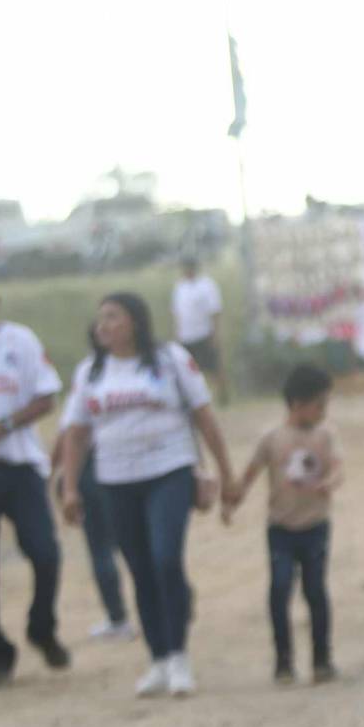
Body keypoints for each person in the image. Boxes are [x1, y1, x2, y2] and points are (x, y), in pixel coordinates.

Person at [60, 292, 238, 697]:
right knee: (140, 568)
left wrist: (225, 472)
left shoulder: (170, 360)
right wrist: (70, 488)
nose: (103, 325)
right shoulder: (91, 372)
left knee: (165, 558)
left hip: (168, 472)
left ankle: (178, 656)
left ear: (135, 322)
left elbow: (204, 416)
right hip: (116, 481)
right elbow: (76, 433)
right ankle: (157, 659)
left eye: (112, 317)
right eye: (100, 318)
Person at [0, 265, 70, 687]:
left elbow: (46, 395)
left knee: (44, 551)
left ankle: (41, 625)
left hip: (17, 463)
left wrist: (7, 424)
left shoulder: (21, 341)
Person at [224, 363, 342, 685]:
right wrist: (232, 500)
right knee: (279, 590)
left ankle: (321, 659)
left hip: (315, 527)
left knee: (316, 591)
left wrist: (329, 483)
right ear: (298, 404)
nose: (323, 412)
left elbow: (337, 469)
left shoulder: (325, 436)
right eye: (320, 405)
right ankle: (283, 662)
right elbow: (250, 474)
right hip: (281, 529)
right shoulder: (272, 439)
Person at [50, 325, 135, 642]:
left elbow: (70, 431)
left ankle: (118, 618)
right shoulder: (144, 365)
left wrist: (54, 471)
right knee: (134, 541)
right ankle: (175, 595)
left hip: (93, 468)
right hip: (130, 465)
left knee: (100, 547)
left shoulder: (89, 374)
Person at [172, 255, 228, 405]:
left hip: (203, 333)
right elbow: (178, 313)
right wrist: (178, 333)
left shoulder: (207, 285)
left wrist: (215, 333)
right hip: (186, 335)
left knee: (213, 367)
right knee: (187, 369)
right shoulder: (180, 287)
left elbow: (215, 311)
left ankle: (222, 396)